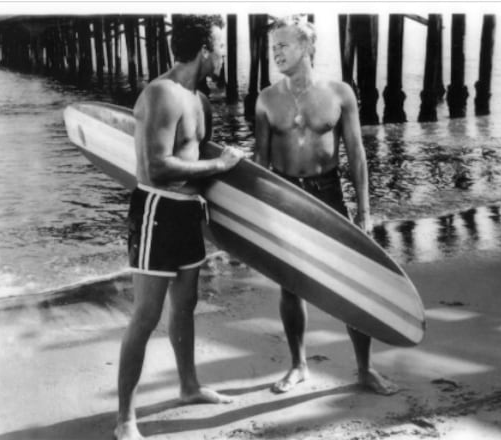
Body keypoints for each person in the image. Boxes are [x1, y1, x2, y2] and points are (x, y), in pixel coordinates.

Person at [253, 15, 399, 396]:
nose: (276, 53)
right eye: (273, 47)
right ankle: (298, 365)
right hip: (284, 193)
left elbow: (357, 156)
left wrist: (365, 214)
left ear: (305, 47)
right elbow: (260, 166)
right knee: (289, 285)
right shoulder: (266, 99)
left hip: (328, 192)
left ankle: (365, 369)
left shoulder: (339, 94)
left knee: (354, 283)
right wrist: (256, 218)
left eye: (283, 45)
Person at [115, 14, 245, 440]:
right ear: (204, 50)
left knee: (185, 304)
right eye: (221, 47)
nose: (225, 54)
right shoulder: (162, 93)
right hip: (157, 211)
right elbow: (156, 167)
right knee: (146, 315)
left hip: (190, 213)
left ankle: (189, 387)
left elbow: (197, 162)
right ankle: (126, 420)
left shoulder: (199, 99)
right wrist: (221, 164)